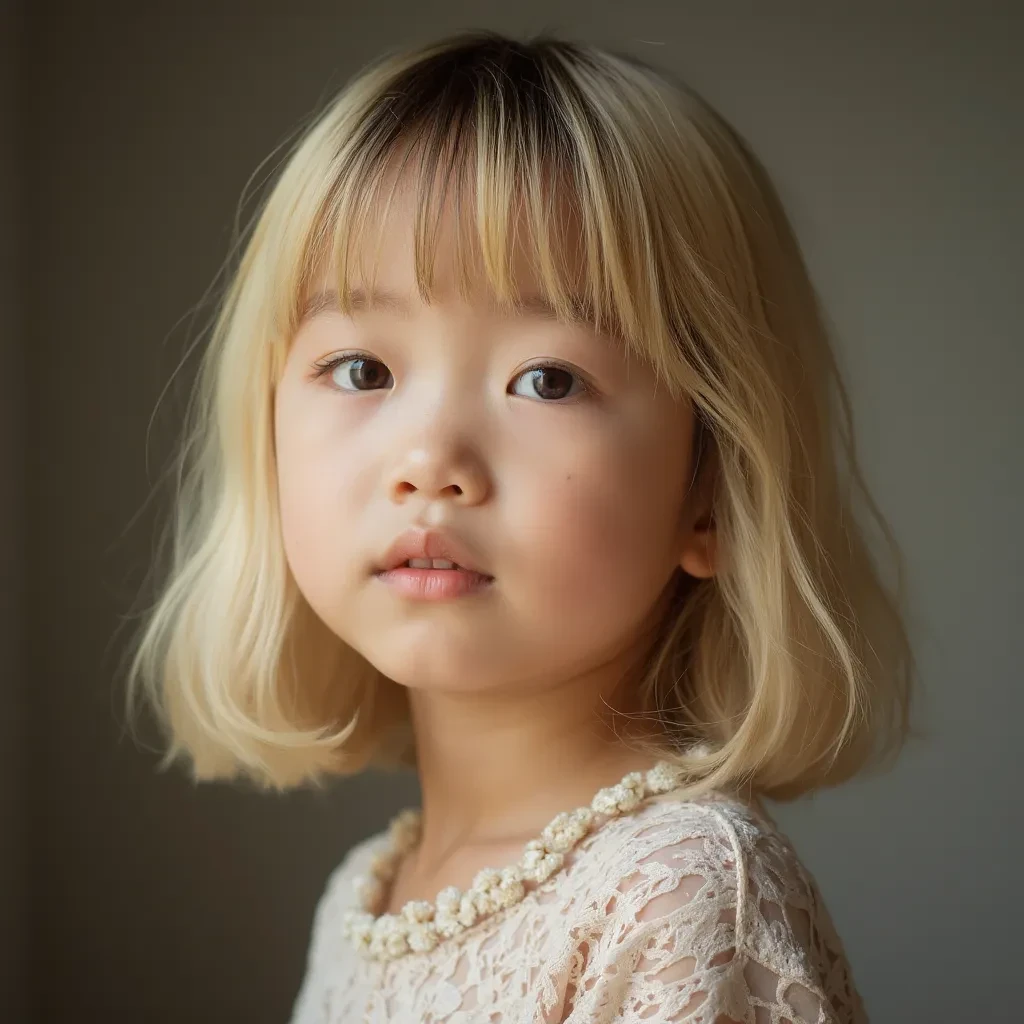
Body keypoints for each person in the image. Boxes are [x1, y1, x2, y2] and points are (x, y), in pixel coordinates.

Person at [124, 28, 915, 1024]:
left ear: (709, 486)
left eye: (546, 380)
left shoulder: (681, 896)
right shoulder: (367, 890)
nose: (430, 462)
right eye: (363, 370)